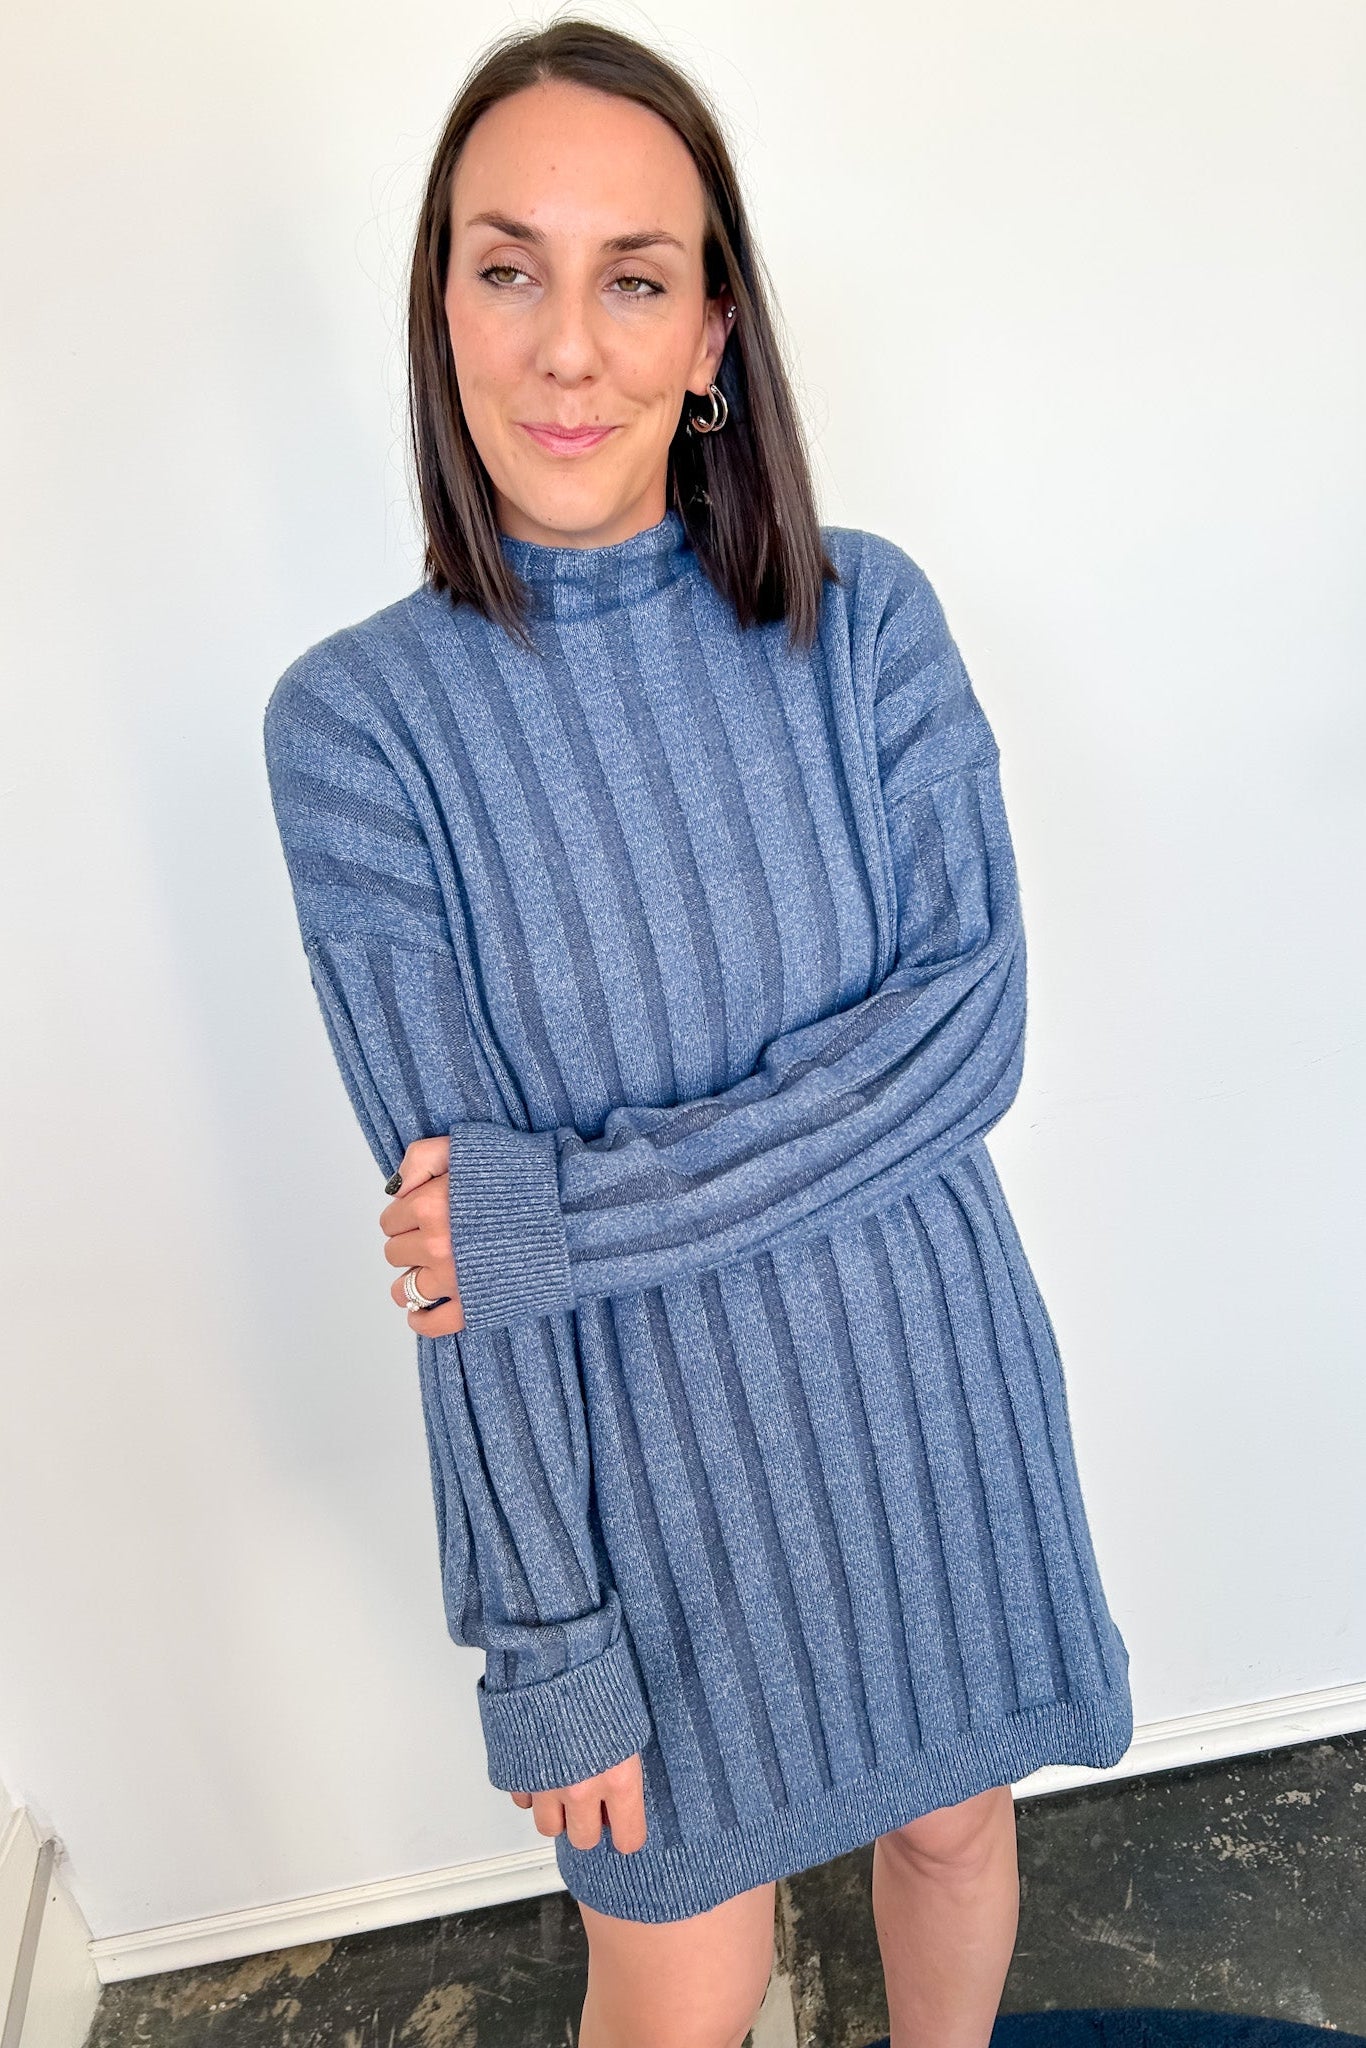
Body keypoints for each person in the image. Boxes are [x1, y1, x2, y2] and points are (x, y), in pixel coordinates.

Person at [263, 19, 1134, 2047]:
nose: (567, 343)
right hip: (638, 1486)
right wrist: (542, 1632)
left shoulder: (870, 624)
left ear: (710, 334)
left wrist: (561, 1208)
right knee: (683, 1971)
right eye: (508, 266)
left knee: (947, 1836)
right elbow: (451, 1247)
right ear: (442, 311)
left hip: (934, 1401)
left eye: (631, 275)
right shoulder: (359, 730)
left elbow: (967, 1040)